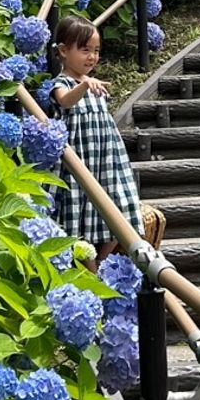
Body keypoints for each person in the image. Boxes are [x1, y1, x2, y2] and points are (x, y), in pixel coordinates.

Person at [47, 15, 144, 260]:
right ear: (63, 51)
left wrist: (89, 84)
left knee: (119, 210)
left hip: (105, 158)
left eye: (96, 50)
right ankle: (90, 269)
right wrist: (84, 85)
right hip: (79, 159)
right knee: (79, 217)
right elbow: (65, 100)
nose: (92, 56)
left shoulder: (94, 84)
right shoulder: (62, 83)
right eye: (85, 50)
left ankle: (101, 263)